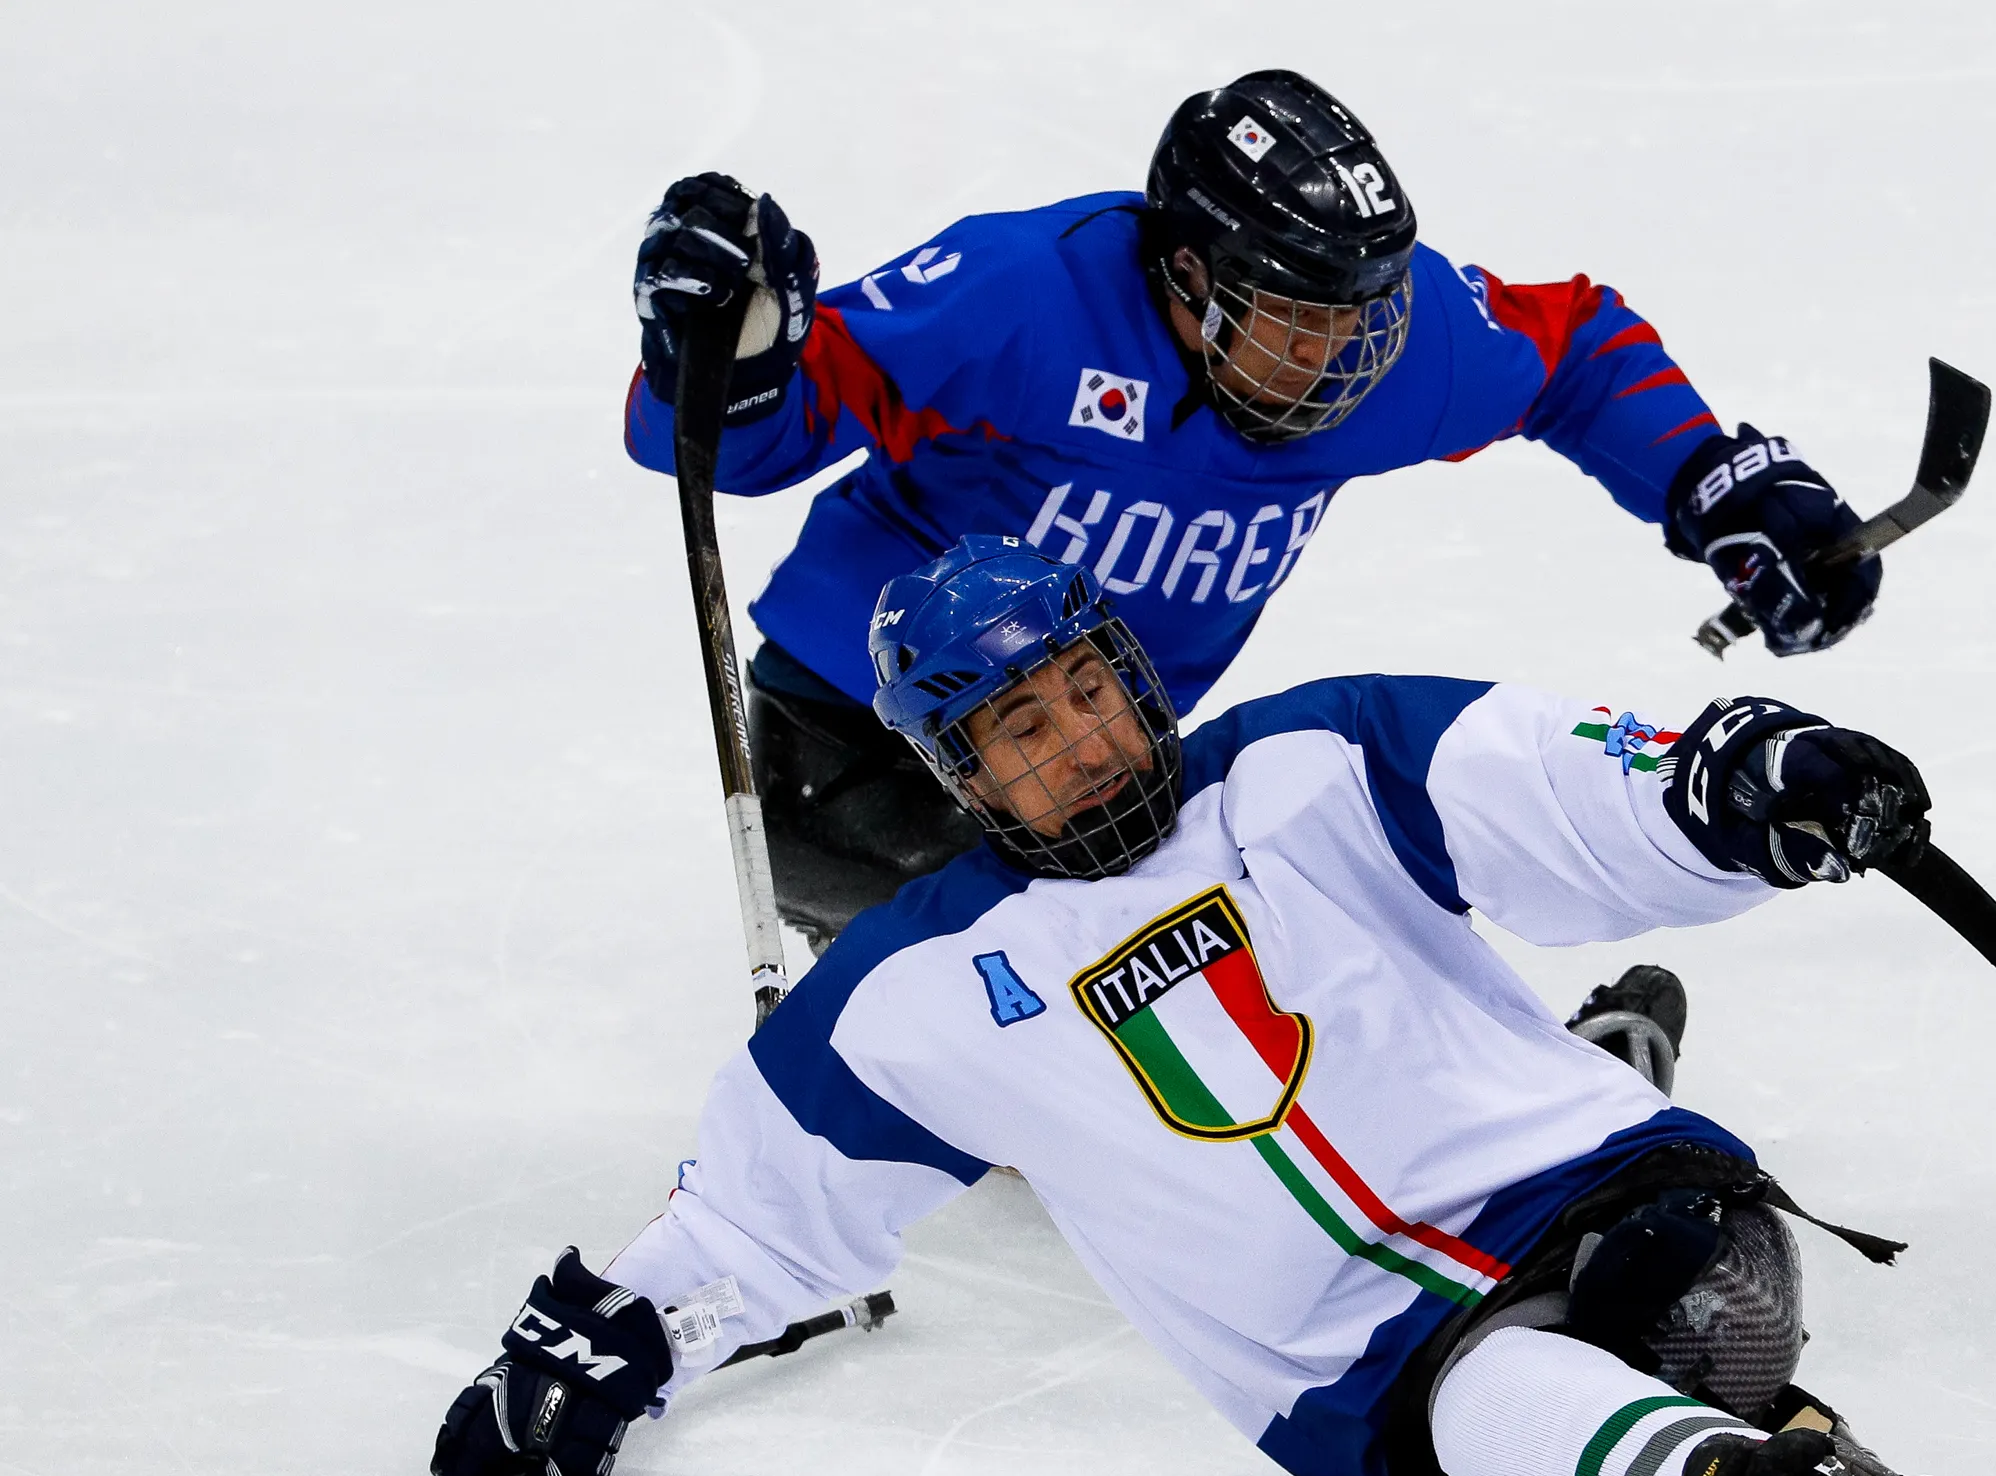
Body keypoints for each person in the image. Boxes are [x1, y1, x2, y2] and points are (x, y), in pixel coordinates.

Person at [430, 538, 1967, 1476]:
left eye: (1089, 689)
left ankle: (1627, 1164)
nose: (1083, 739)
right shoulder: (922, 987)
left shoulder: (1317, 756)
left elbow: (1572, 791)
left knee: (1689, 1302)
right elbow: (756, 1216)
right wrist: (602, 1353)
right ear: (959, 772)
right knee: (1495, 1398)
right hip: (1377, 1368)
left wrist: (1738, 792)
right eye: (1025, 729)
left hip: (1629, 1209)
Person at [626, 68, 1886, 941]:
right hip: (857, 744)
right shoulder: (1023, 297)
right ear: (1187, 273)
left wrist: (1720, 483)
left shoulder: (1390, 351)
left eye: (1363, 315)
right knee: (1135, 974)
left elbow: (1574, 355)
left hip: (1108, 766)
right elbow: (732, 443)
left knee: (1308, 898)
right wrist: (725, 354)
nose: (1345, 357)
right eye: (1302, 319)